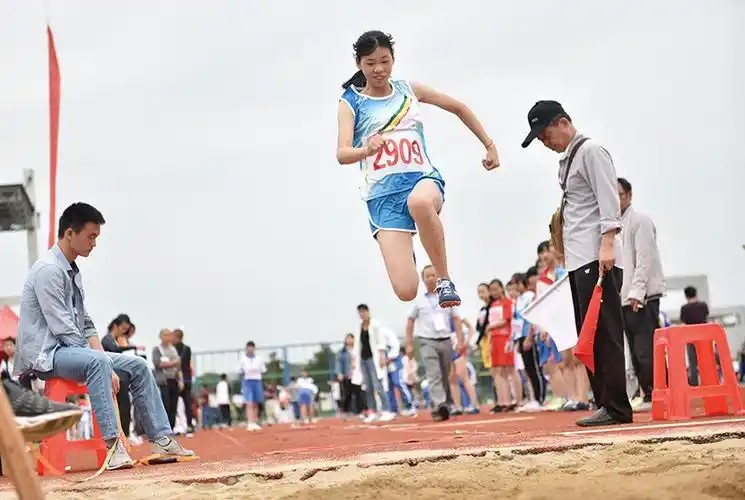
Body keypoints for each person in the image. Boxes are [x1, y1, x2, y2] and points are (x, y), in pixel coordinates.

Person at [14, 202, 193, 469]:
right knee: (98, 362)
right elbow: (65, 330)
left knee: (139, 365)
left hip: (71, 351)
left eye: (96, 237)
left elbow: (86, 324)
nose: (94, 244)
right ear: (70, 233)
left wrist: (104, 359)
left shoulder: (72, 271)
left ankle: (161, 439)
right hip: (47, 355)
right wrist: (104, 363)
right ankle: (113, 447)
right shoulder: (48, 271)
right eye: (91, 236)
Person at [336, 30, 499, 308]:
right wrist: (365, 150)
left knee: (419, 203)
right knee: (406, 290)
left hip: (422, 179)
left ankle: (444, 280)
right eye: (371, 63)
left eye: (385, 61)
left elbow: (458, 107)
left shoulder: (407, 90)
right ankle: (408, 246)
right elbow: (342, 153)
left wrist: (489, 145)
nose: (379, 69)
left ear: (393, 59)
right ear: (359, 64)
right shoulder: (351, 103)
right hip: (383, 198)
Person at [521, 100, 632, 427]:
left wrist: (608, 244)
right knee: (590, 335)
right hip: (579, 259)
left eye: (545, 134)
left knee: (606, 333)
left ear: (564, 122)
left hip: (598, 257)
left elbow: (608, 199)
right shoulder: (569, 159)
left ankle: (617, 407)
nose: (545, 142)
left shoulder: (591, 151)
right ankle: (604, 403)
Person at [617, 177, 666, 412]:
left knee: (645, 347)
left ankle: (655, 391)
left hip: (642, 296)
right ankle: (646, 392)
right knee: (635, 350)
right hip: (624, 297)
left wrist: (637, 292)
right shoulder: (615, 225)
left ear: (629, 195)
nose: (615, 200)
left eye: (619, 194)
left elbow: (645, 259)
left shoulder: (640, 221)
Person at [405, 265, 464, 421]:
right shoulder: (418, 301)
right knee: (434, 374)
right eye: (428, 276)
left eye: (433, 275)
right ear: (423, 279)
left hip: (445, 339)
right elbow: (410, 321)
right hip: (427, 341)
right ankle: (439, 405)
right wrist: (409, 344)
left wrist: (459, 339)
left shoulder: (446, 296)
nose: (431, 279)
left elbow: (456, 318)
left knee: (445, 374)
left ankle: (446, 404)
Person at [355, 304, 397, 423]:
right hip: (363, 359)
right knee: (368, 388)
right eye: (360, 312)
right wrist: (355, 359)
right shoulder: (359, 326)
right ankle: (372, 411)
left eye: (364, 311)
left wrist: (382, 356)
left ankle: (386, 410)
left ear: (368, 312)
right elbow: (358, 344)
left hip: (374, 359)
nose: (362, 314)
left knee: (378, 386)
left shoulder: (375, 325)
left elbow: (380, 342)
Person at [101, 314, 137, 437]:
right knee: (120, 408)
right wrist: (131, 348)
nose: (124, 332)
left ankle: (126, 434)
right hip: (115, 379)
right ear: (115, 326)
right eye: (123, 328)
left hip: (123, 378)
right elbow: (115, 351)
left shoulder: (118, 340)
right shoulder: (107, 340)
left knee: (125, 407)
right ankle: (122, 435)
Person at [152, 329, 183, 431]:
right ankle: (163, 428)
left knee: (174, 405)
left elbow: (179, 364)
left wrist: (181, 379)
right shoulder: (157, 349)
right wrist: (173, 363)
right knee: (165, 405)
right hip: (163, 381)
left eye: (169, 335)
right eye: (165, 335)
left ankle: (172, 428)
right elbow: (158, 364)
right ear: (160, 336)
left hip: (174, 379)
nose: (167, 337)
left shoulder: (173, 349)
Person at [680, 286, 710, 386]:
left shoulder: (684, 308)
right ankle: (707, 382)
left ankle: (694, 384)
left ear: (686, 296)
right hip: (704, 336)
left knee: (692, 363)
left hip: (691, 337)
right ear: (696, 294)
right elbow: (706, 317)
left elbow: (683, 322)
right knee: (706, 361)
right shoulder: (703, 305)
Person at [239, 341, 266, 431]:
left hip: (257, 380)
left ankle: (255, 422)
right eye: (249, 348)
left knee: (256, 402)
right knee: (249, 402)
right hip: (247, 381)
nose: (250, 349)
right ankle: (250, 422)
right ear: (246, 349)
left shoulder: (259, 359)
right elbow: (239, 371)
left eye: (252, 348)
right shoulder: (243, 359)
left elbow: (263, 370)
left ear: (254, 349)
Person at [172, 328, 195, 434]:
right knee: (187, 404)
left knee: (174, 404)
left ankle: (175, 425)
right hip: (187, 379)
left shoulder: (173, 349)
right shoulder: (187, 349)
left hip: (177, 379)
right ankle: (189, 425)